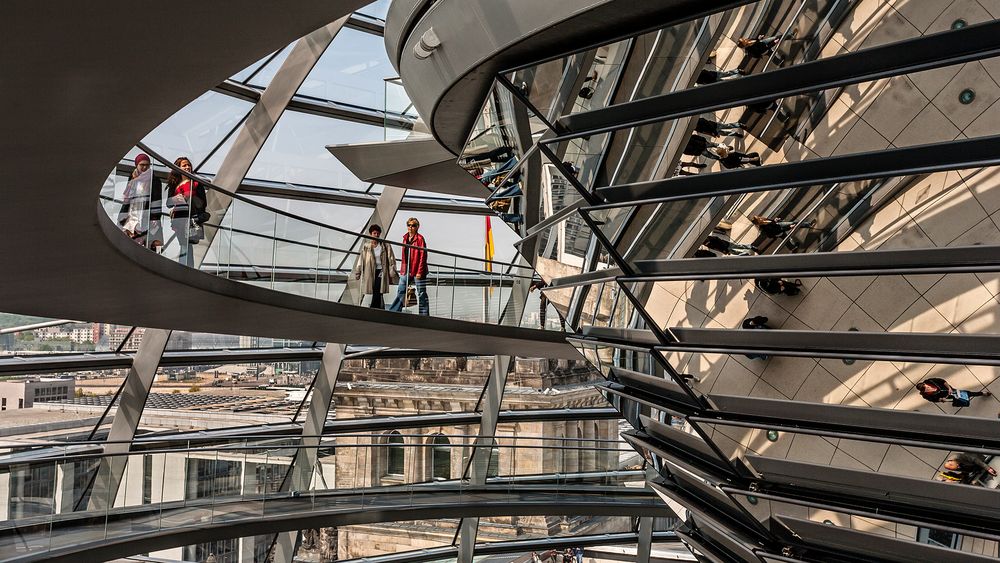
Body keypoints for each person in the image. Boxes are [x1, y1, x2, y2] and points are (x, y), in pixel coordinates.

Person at [165, 156, 208, 267]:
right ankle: (186, 268)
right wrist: (176, 198)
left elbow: (203, 203)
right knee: (184, 245)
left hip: (192, 218)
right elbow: (168, 203)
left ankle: (185, 268)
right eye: (184, 165)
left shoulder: (197, 183)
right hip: (180, 218)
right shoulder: (174, 184)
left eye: (188, 165)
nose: (187, 167)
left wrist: (189, 198)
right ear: (178, 168)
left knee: (187, 244)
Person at [117, 153, 163, 251]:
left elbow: (157, 200)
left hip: (146, 215)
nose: (145, 167)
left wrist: (155, 217)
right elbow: (127, 198)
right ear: (136, 165)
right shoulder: (133, 178)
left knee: (148, 245)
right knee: (128, 243)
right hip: (132, 214)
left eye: (147, 165)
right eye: (142, 165)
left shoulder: (154, 180)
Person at [388, 217, 430, 315]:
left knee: (421, 293)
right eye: (409, 225)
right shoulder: (405, 238)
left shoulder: (420, 239)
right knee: (401, 290)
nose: (411, 227)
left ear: (417, 227)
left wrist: (419, 271)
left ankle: (424, 315)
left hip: (418, 270)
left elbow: (423, 256)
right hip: (407, 269)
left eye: (413, 225)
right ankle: (394, 311)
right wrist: (403, 269)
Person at [354, 224, 399, 309]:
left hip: (381, 270)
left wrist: (392, 270)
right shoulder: (367, 246)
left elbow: (391, 258)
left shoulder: (385, 245)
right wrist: (358, 271)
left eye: (378, 233)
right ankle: (381, 308)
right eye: (374, 233)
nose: (376, 235)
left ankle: (374, 308)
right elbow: (361, 259)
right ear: (371, 234)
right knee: (376, 289)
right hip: (370, 271)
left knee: (377, 288)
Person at [916, 378, 991, 407]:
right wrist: (942, 399)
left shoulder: (929, 381)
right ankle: (981, 393)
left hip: (950, 389)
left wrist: (949, 388)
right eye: (927, 389)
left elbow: (942, 381)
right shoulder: (926, 396)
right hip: (947, 396)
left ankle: (982, 393)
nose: (929, 388)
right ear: (923, 391)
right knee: (960, 398)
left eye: (927, 386)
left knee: (967, 393)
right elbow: (935, 400)